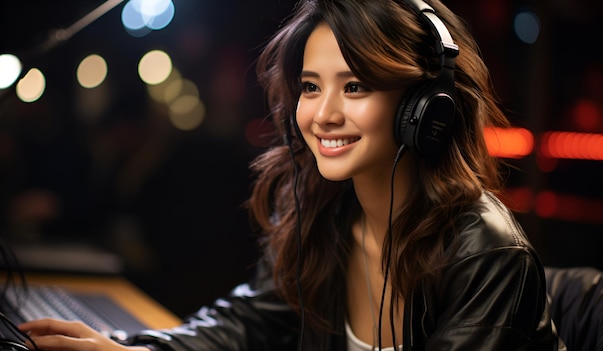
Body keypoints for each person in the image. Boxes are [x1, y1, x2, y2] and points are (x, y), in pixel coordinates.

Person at [19, 0, 565, 350]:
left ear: (427, 107)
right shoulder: (323, 209)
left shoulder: (487, 255)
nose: (322, 113)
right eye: (309, 86)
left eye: (355, 87)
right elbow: (248, 322)